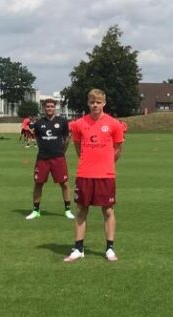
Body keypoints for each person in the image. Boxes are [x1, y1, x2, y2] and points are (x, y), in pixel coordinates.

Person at [64, 89, 125, 262]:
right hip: (84, 174)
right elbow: (77, 147)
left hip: (105, 175)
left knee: (108, 211)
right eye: (92, 102)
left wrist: (106, 163)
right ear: (88, 103)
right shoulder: (78, 124)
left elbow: (118, 149)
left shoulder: (114, 124)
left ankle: (109, 248)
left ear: (104, 103)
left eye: (98, 102)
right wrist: (88, 161)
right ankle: (78, 248)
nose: (95, 105)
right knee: (81, 210)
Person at [25, 98, 74, 220]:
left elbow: (67, 139)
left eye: (52, 106)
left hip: (58, 158)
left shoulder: (62, 122)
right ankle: (36, 210)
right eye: (47, 106)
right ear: (44, 108)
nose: (50, 108)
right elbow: (37, 137)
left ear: (55, 108)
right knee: (38, 183)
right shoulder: (38, 123)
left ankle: (67, 210)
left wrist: (62, 152)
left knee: (64, 183)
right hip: (42, 158)